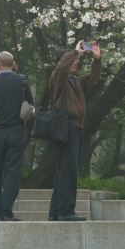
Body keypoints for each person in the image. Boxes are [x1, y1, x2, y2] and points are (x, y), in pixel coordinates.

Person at [48, 40, 102, 221]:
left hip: (77, 128)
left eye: (76, 60)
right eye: (70, 60)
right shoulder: (57, 80)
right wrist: (75, 52)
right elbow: (60, 70)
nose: (75, 62)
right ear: (60, 63)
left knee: (65, 170)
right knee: (68, 170)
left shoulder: (76, 81)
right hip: (66, 127)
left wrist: (96, 59)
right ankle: (65, 211)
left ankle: (56, 212)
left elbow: (93, 79)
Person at [0, 51, 34, 222]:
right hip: (17, 132)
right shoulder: (22, 81)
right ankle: (6, 212)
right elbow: (30, 105)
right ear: (13, 64)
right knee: (12, 172)